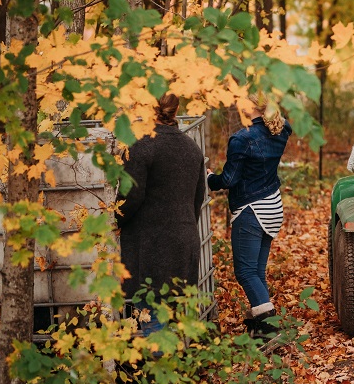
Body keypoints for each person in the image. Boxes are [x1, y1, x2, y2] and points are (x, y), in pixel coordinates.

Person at [118, 93, 207, 336]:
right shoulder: (192, 148)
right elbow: (197, 199)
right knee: (173, 316)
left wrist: (114, 222)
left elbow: (130, 199)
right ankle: (175, 369)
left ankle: (159, 370)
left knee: (152, 317)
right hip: (184, 242)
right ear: (176, 111)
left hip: (150, 247)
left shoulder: (142, 146)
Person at [208, 94, 292, 337]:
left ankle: (269, 327)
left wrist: (208, 178)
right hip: (273, 206)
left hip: (252, 210)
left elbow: (229, 180)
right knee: (256, 271)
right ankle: (261, 327)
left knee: (245, 272)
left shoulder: (242, 139)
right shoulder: (280, 129)